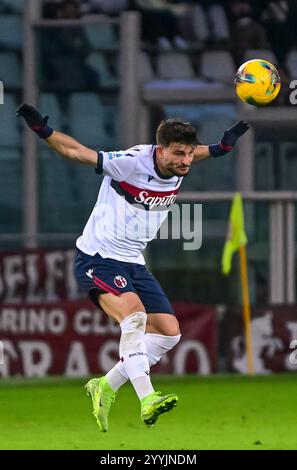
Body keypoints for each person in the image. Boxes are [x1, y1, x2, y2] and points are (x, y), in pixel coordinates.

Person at [17, 103, 249, 432]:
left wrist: (221, 148)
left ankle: (106, 386)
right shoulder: (130, 163)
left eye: (188, 154)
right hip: (97, 257)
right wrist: (43, 131)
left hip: (133, 261)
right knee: (135, 318)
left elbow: (197, 153)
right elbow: (78, 153)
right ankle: (148, 398)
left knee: (169, 333)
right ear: (161, 150)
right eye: (179, 154)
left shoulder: (180, 162)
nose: (186, 160)